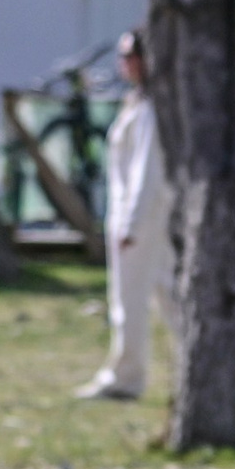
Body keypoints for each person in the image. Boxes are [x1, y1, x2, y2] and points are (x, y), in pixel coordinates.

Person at [76, 30, 172, 401]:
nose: (125, 62)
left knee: (131, 299)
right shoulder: (139, 102)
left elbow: (147, 171)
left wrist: (130, 224)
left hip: (141, 216)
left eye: (131, 54)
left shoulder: (150, 109)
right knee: (168, 293)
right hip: (144, 214)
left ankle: (126, 376)